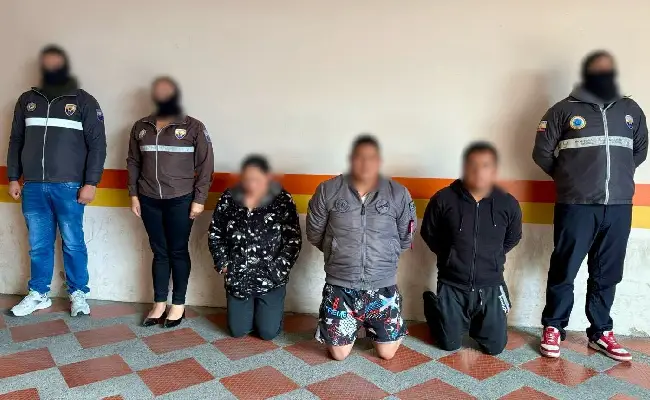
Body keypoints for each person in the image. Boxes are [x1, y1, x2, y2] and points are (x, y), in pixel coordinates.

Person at [533, 51, 648, 361]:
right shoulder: (562, 111)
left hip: (619, 206)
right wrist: (571, 180)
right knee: (565, 268)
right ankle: (554, 326)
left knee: (607, 272)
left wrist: (617, 179)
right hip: (576, 205)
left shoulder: (631, 110)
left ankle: (600, 332)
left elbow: (639, 152)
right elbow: (541, 153)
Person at [7, 45, 106, 317]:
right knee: (39, 245)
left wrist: (91, 183)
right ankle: (39, 294)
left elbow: (98, 146)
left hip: (70, 187)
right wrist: (13, 177)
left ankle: (78, 293)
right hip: (33, 187)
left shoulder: (84, 101)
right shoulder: (27, 100)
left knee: (73, 243)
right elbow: (16, 140)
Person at [306, 135, 416, 361]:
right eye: (359, 157)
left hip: (382, 285)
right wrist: (337, 250)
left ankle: (372, 326)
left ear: (379, 161)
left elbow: (406, 237)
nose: (365, 163)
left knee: (387, 354)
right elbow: (315, 233)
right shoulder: (328, 190)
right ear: (350, 159)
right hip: (340, 285)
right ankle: (355, 326)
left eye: (371, 157)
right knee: (339, 355)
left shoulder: (397, 193)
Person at [127, 77, 214, 328]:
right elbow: (133, 161)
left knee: (177, 250)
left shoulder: (193, 126)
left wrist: (199, 199)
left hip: (181, 199)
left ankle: (178, 304)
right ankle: (159, 303)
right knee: (159, 251)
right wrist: (134, 194)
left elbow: (206, 165)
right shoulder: (141, 127)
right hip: (148, 198)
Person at [420, 142, 522, 355]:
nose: (478, 171)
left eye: (485, 165)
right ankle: (434, 305)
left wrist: (492, 257)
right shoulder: (443, 199)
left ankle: (476, 322)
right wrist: (450, 256)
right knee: (448, 345)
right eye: (473, 165)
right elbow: (429, 233)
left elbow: (512, 238)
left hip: (491, 285)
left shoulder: (508, 203)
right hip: (452, 285)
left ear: (493, 170)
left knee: (495, 348)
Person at [208, 155, 302, 340]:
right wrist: (224, 263)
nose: (251, 184)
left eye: (257, 179)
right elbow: (215, 233)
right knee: (237, 331)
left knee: (268, 333)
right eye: (247, 179)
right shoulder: (229, 197)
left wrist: (278, 270)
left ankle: (267, 313)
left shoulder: (282, 199)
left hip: (270, 279)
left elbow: (293, 239)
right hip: (238, 277)